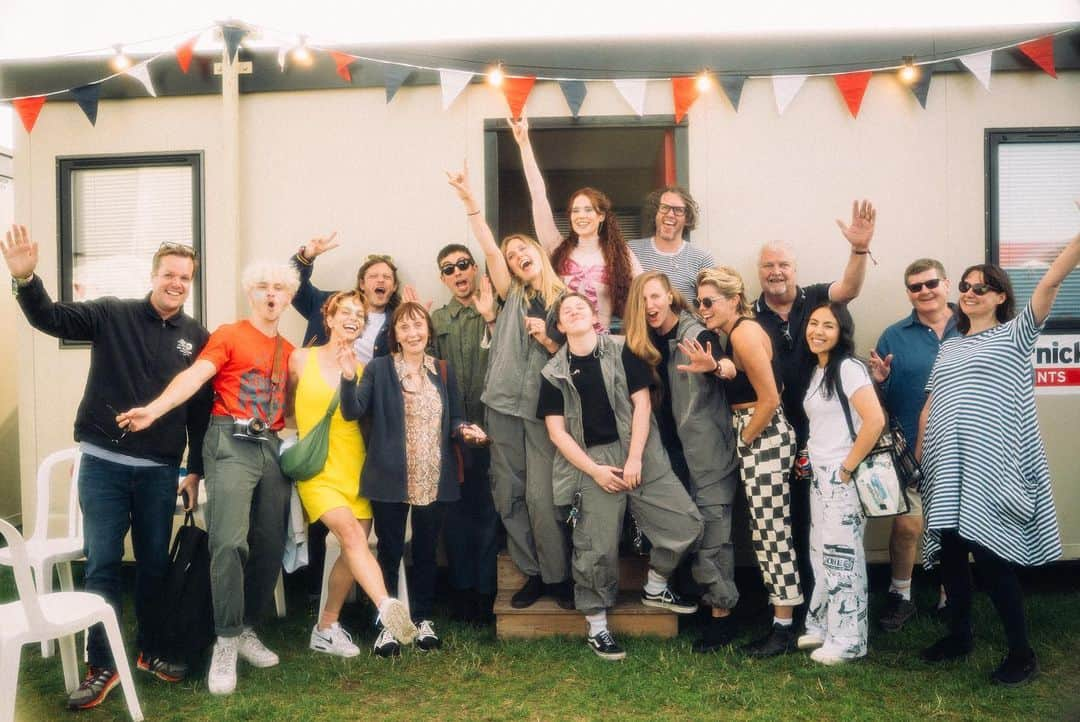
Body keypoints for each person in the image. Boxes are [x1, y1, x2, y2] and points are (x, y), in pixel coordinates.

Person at [3, 225, 210, 710]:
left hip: (160, 471)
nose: (176, 283)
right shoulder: (112, 313)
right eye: (169, 274)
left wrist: (193, 469)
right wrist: (26, 278)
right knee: (102, 565)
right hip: (103, 466)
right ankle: (103, 665)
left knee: (155, 565)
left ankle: (150, 651)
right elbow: (49, 317)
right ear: (153, 275)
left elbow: (199, 413)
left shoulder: (195, 337)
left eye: (184, 277)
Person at [118, 261, 298, 696]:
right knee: (230, 541)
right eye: (262, 287)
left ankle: (247, 627)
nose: (271, 294)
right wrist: (155, 408)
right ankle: (226, 639)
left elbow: (294, 406)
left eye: (278, 288)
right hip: (230, 439)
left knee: (271, 543)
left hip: (270, 443)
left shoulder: (290, 350)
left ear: (289, 297)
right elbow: (196, 376)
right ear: (248, 293)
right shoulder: (229, 335)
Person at [917, 218, 1079, 686]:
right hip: (946, 466)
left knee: (991, 557)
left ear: (1001, 296)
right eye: (965, 286)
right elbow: (932, 402)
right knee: (951, 552)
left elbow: (1050, 280)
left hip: (991, 467)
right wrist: (923, 454)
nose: (970, 293)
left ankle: (1022, 652)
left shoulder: (1016, 335)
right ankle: (960, 634)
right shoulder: (949, 347)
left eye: (982, 288)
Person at [538, 292, 704, 660]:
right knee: (594, 549)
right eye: (566, 310)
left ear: (594, 313)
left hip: (639, 449)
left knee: (685, 524)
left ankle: (657, 586)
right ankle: (598, 628)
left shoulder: (622, 350)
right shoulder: (553, 372)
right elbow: (557, 433)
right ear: (561, 326)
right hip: (591, 463)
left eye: (580, 304)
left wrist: (634, 460)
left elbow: (642, 404)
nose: (575, 309)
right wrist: (595, 471)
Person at [446, 164, 573, 610]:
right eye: (511, 252)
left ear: (539, 252)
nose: (516, 254)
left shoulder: (566, 300)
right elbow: (488, 246)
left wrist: (550, 338)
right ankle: (534, 573)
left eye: (523, 248)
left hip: (544, 412)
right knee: (508, 495)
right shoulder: (510, 293)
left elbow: (578, 353)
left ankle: (559, 578)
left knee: (542, 499)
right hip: (500, 406)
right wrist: (469, 203)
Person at [338, 301, 488, 655]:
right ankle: (387, 625)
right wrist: (347, 377)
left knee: (425, 551)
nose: (413, 332)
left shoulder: (442, 371)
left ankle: (422, 620)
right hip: (390, 477)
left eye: (418, 325)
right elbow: (352, 411)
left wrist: (466, 429)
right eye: (404, 327)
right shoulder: (378, 369)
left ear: (428, 331)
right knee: (389, 551)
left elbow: (453, 419)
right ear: (395, 336)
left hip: (434, 476)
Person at [751, 201, 876, 604]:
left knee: (818, 522)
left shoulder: (817, 300)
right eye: (769, 265)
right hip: (774, 433)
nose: (776, 272)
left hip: (822, 435)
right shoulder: (751, 316)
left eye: (783, 264)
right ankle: (790, 603)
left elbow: (850, 289)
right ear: (759, 271)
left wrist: (859, 250)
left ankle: (822, 606)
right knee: (780, 520)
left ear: (795, 269)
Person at [286, 290, 416, 658]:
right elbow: (284, 407)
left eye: (359, 314)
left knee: (351, 547)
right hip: (317, 469)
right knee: (349, 536)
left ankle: (326, 626)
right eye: (345, 311)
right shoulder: (300, 359)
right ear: (327, 319)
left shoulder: (363, 372)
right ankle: (386, 606)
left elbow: (368, 423)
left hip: (356, 468)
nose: (353, 317)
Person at [681, 266, 802, 657]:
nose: (702, 309)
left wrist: (747, 439)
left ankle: (783, 628)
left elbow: (770, 397)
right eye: (699, 302)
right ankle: (780, 618)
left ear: (734, 299)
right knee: (765, 531)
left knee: (772, 532)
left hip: (761, 432)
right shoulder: (733, 335)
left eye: (709, 301)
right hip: (754, 431)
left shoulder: (745, 333)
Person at [623, 272, 742, 652]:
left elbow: (726, 366)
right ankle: (682, 597)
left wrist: (717, 367)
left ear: (671, 297)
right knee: (683, 526)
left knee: (714, 534)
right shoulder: (639, 346)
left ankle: (721, 618)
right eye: (642, 301)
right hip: (667, 455)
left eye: (655, 296)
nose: (650, 306)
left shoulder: (696, 334)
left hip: (707, 455)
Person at [869, 258, 959, 631]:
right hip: (910, 447)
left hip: (961, 445)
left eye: (930, 283)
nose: (924, 291)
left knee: (956, 528)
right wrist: (879, 380)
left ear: (946, 284)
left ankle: (950, 596)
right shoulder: (894, 335)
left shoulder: (972, 327)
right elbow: (877, 400)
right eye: (915, 287)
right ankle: (900, 594)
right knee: (907, 527)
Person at [799, 301, 885, 665]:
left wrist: (847, 468)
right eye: (814, 323)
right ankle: (823, 626)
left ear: (842, 332)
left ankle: (849, 639)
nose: (817, 331)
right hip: (820, 477)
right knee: (821, 553)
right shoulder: (820, 370)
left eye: (828, 326)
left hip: (841, 478)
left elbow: (874, 420)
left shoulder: (849, 368)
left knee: (842, 558)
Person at [510, 116, 643, 333]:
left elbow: (643, 293)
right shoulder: (557, 247)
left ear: (601, 216)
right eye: (575, 210)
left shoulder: (620, 253)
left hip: (602, 345)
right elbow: (538, 195)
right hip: (561, 345)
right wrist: (524, 144)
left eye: (588, 209)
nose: (581, 216)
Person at [431, 243, 501, 624]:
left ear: (474, 268)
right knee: (455, 514)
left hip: (492, 429)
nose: (458, 272)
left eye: (463, 264)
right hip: (452, 432)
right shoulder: (437, 320)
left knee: (489, 511)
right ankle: (460, 594)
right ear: (442, 277)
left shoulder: (495, 310)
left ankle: (487, 593)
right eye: (449, 268)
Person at [290, 234, 401, 359]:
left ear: (394, 286)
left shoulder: (399, 324)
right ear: (362, 284)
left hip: (362, 377)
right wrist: (305, 257)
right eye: (373, 276)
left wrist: (414, 316)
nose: (380, 280)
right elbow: (291, 287)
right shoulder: (329, 303)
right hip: (318, 375)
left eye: (387, 277)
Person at [628, 187, 716, 304]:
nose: (670, 214)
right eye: (664, 208)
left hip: (687, 322)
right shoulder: (631, 250)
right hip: (640, 322)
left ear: (687, 218)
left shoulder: (701, 259)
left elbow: (710, 304)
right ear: (655, 213)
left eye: (678, 210)